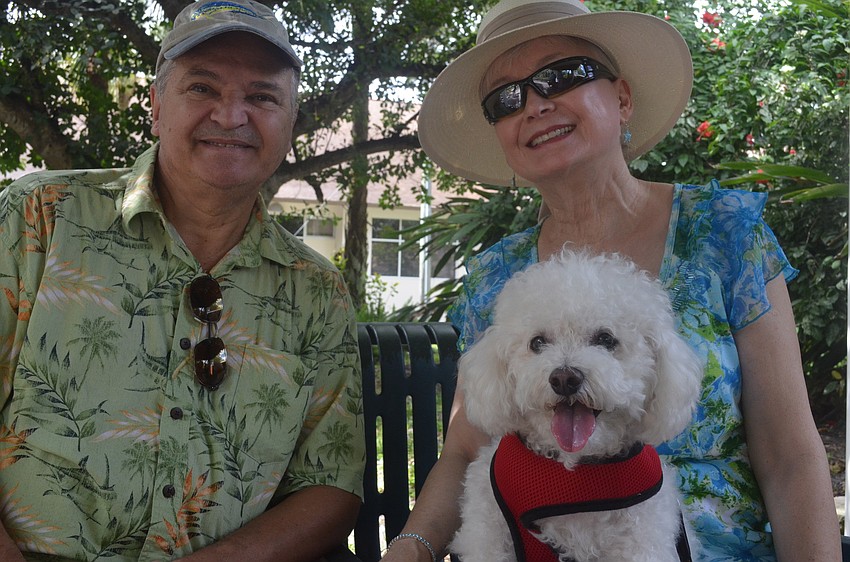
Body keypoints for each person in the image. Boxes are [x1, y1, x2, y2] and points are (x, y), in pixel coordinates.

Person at [381, 0, 841, 560]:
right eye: (506, 98)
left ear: (623, 98)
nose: (535, 103)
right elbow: (465, 452)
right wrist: (411, 547)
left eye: (561, 75)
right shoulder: (497, 275)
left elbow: (790, 457)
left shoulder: (724, 234)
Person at [0, 1, 365, 560]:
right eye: (202, 88)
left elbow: (331, 483)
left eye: (263, 96)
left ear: (290, 121)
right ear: (156, 106)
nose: (230, 115)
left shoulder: (314, 290)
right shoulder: (39, 217)